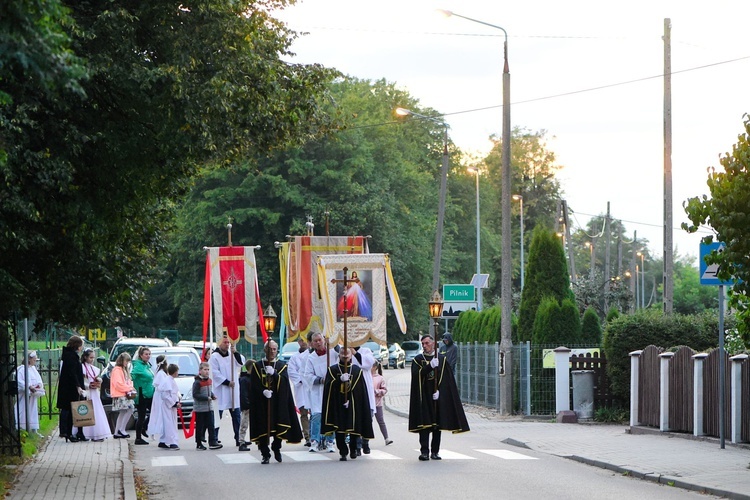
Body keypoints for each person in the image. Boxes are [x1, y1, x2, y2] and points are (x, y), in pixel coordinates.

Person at [408, 334, 469, 461]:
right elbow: (416, 376)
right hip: (424, 396)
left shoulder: (442, 359)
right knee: (425, 426)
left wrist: (441, 392)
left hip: (436, 397)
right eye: (423, 344)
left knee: (437, 425)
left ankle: (435, 451)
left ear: (433, 343)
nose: (425, 346)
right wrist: (429, 366)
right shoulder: (418, 360)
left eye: (427, 343)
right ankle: (424, 451)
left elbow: (447, 380)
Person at [248, 340, 303, 464]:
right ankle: (265, 453)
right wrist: (263, 391)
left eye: (274, 349)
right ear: (265, 350)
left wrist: (275, 375)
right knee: (263, 427)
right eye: (269, 349)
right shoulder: (257, 366)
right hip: (262, 403)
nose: (272, 352)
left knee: (279, 424)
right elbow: (254, 385)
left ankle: (276, 447)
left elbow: (285, 383)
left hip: (277, 402)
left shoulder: (281, 365)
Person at [321, 347, 374, 461]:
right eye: (342, 353)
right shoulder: (333, 370)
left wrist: (352, 398)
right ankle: (343, 451)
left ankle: (354, 448)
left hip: (353, 404)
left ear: (351, 355)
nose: (345, 356)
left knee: (353, 427)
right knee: (340, 429)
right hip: (338, 404)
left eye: (347, 353)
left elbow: (360, 390)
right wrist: (338, 380)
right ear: (339, 355)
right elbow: (328, 388)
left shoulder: (356, 370)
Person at [302, 331, 337, 453]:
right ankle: (315, 441)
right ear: (312, 343)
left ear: (324, 340)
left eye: (320, 340)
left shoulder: (332, 353)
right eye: (315, 341)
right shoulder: (311, 358)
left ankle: (330, 441)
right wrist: (320, 380)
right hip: (318, 390)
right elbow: (307, 375)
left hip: (331, 390)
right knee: (316, 416)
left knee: (330, 415)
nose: (318, 342)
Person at [209, 336, 244, 446]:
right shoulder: (214, 357)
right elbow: (214, 373)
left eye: (228, 342)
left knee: (237, 416)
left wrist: (236, 353)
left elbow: (241, 363)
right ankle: (214, 438)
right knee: (217, 415)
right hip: (221, 390)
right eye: (225, 342)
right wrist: (227, 382)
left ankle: (239, 438)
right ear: (219, 343)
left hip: (233, 391)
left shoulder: (232, 354)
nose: (227, 344)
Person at [56, 336, 86, 442]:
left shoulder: (69, 355)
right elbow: (73, 373)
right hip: (70, 388)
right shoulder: (72, 357)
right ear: (77, 345)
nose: (82, 347)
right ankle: (68, 432)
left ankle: (69, 432)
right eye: (81, 345)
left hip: (68, 387)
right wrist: (78, 386)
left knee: (69, 409)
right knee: (70, 410)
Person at [81, 348, 112, 441]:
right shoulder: (82, 367)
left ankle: (97, 433)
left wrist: (98, 381)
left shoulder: (92, 367)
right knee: (88, 411)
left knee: (96, 411)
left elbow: (96, 377)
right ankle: (86, 433)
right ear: (85, 357)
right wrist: (88, 385)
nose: (92, 360)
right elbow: (82, 380)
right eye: (90, 357)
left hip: (94, 392)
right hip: (87, 392)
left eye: (93, 358)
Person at [287, 334, 311, 446]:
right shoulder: (294, 358)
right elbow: (291, 371)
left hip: (312, 387)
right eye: (301, 340)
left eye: (305, 340)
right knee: (304, 413)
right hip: (301, 388)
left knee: (315, 413)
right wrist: (302, 379)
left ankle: (316, 435)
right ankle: (308, 436)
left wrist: (309, 378)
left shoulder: (312, 355)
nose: (303, 342)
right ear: (299, 342)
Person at [351, 343, 376, 455]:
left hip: (365, 385)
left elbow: (368, 364)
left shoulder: (366, 351)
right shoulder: (346, 351)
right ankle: (357, 444)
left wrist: (355, 353)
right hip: (353, 387)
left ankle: (365, 442)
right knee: (355, 418)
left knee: (367, 418)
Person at [192, 361, 222, 451]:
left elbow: (209, 391)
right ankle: (199, 443)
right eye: (205, 369)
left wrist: (212, 395)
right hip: (200, 408)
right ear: (200, 371)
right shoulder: (197, 382)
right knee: (200, 426)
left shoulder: (209, 380)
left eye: (208, 370)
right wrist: (206, 398)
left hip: (209, 407)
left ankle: (212, 442)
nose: (207, 371)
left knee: (211, 425)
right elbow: (195, 395)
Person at [15, 351, 45, 432]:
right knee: (23, 409)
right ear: (29, 359)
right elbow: (20, 381)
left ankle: (33, 428)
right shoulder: (21, 369)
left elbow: (38, 379)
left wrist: (38, 386)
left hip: (32, 395)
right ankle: (21, 427)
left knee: (32, 410)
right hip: (24, 395)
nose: (35, 361)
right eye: (34, 360)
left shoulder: (32, 369)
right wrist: (29, 386)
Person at [131, 346, 154, 445]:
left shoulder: (146, 365)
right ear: (140, 355)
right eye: (146, 354)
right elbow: (131, 376)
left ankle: (144, 427)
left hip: (149, 394)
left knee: (154, 412)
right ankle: (138, 438)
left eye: (149, 354)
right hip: (142, 395)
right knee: (141, 416)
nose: (148, 356)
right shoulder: (138, 366)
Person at [110, 352, 137, 439]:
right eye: (126, 361)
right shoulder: (117, 370)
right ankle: (121, 429)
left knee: (124, 412)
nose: (127, 363)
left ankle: (118, 431)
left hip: (124, 393)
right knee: (129, 409)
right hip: (121, 394)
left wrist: (130, 387)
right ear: (122, 360)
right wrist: (129, 388)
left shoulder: (122, 370)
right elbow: (118, 384)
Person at [147, 355, 169, 448]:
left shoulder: (162, 372)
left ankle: (164, 437)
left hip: (160, 395)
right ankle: (162, 438)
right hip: (160, 396)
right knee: (160, 415)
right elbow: (160, 385)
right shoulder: (161, 373)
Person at [158, 364, 181, 450]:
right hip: (168, 406)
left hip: (171, 405)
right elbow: (165, 395)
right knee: (169, 423)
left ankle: (163, 440)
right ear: (175, 372)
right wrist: (174, 403)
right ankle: (172, 442)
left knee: (169, 422)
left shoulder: (171, 380)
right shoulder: (168, 381)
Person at [371, 362, 393, 446]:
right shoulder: (366, 377)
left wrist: (377, 391)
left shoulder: (380, 378)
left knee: (381, 421)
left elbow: (384, 390)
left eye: (372, 366)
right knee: (368, 421)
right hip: (369, 404)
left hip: (377, 403)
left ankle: (386, 438)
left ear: (375, 367)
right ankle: (365, 440)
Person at [237, 359, 253, 451]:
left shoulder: (252, 378)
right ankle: (241, 441)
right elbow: (243, 394)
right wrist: (247, 404)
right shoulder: (244, 380)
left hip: (253, 404)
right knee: (244, 423)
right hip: (247, 405)